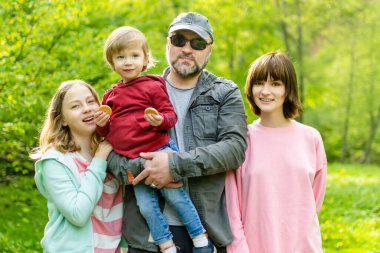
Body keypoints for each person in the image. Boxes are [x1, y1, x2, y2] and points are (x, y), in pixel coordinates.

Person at [106, 12, 247, 253]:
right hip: (146, 237)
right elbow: (108, 152)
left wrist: (174, 166)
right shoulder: (134, 90)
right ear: (167, 44)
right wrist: (143, 168)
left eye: (198, 43)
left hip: (205, 231)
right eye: (179, 39)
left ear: (209, 50)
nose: (187, 49)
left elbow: (234, 149)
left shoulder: (225, 92)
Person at [95, 26, 210, 253]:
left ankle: (200, 236)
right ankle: (165, 243)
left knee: (176, 197)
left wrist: (159, 120)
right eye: (121, 57)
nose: (128, 62)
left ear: (145, 59)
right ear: (112, 62)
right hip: (133, 161)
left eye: (134, 56)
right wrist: (101, 124)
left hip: (159, 150)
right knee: (146, 207)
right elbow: (108, 134)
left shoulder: (152, 85)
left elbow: (170, 115)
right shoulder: (110, 96)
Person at [225, 52, 328, 253]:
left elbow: (314, 201)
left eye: (275, 84)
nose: (265, 91)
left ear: (287, 89)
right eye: (259, 83)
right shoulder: (241, 139)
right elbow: (231, 207)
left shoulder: (311, 138)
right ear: (250, 88)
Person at [30, 80, 123, 253]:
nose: (87, 109)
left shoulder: (112, 152)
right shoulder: (55, 161)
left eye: (90, 101)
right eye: (75, 106)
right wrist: (99, 159)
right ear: (63, 120)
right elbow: (77, 214)